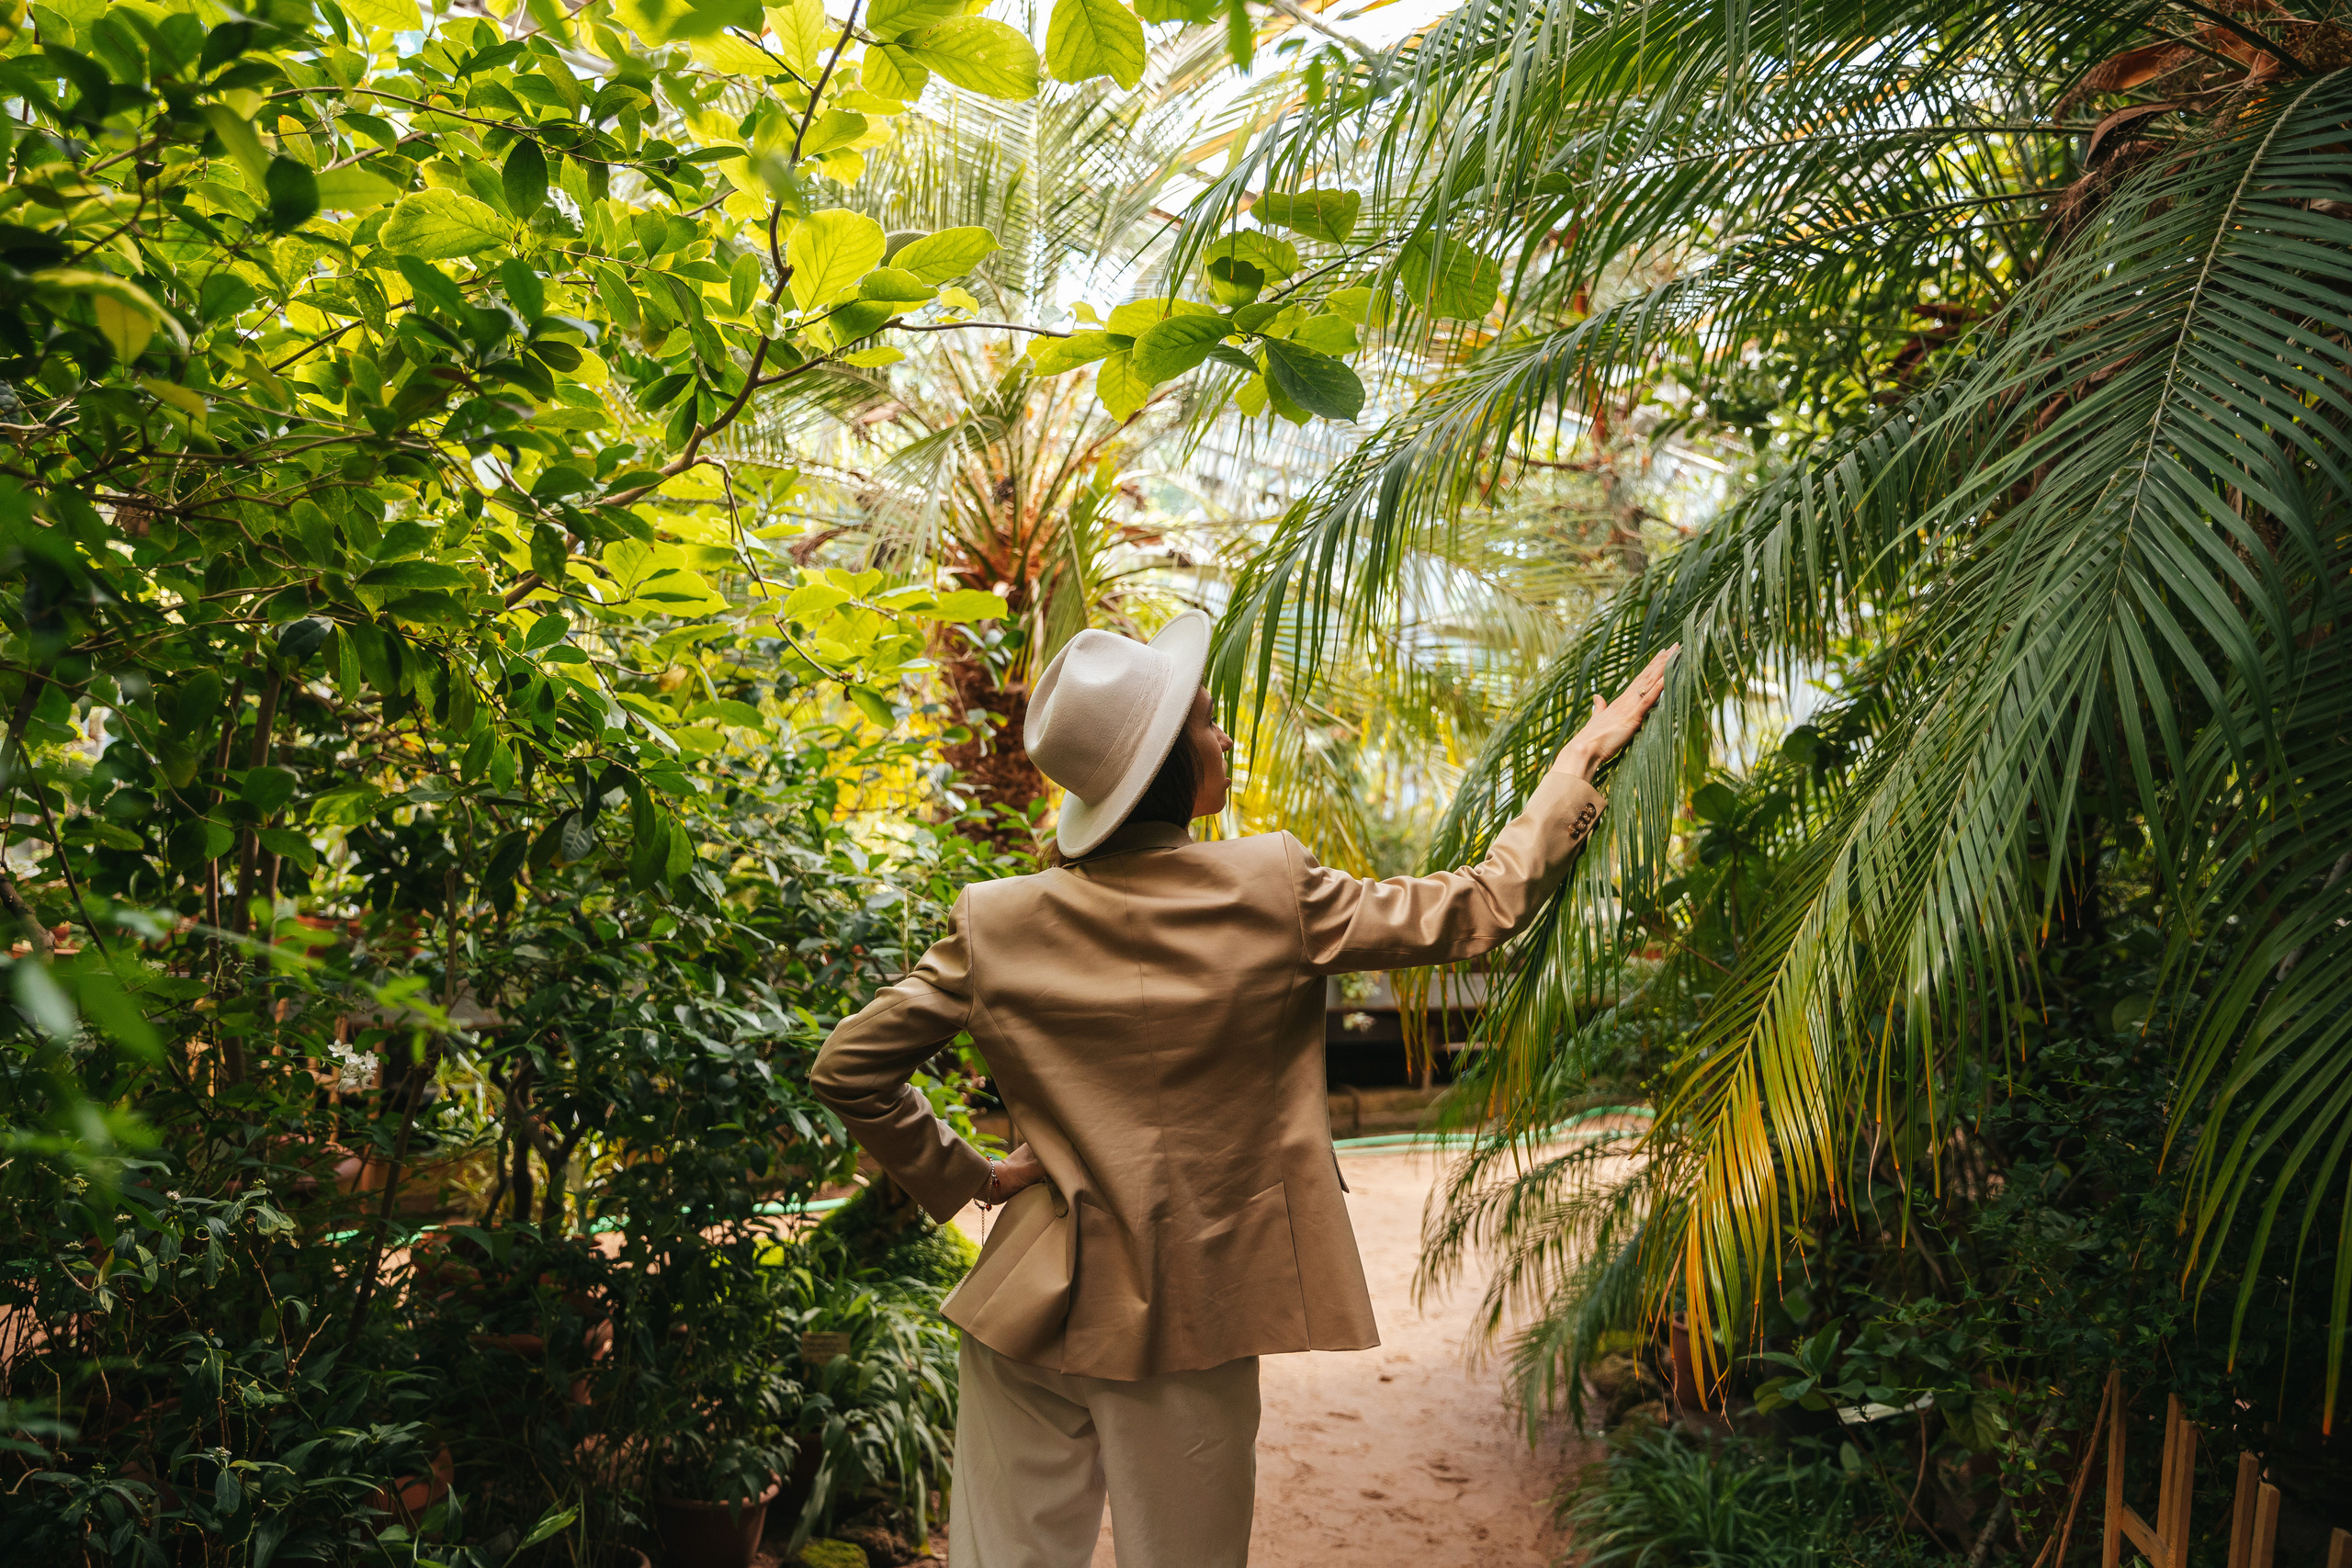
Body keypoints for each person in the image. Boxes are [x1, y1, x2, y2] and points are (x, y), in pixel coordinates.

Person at [811, 610, 1674, 1567]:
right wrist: (1575, 768)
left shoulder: (996, 920)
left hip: (1027, 1305)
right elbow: (1477, 907)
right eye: (1208, 721)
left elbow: (851, 1066)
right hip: (1193, 1308)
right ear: (1167, 762)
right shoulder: (1271, 886)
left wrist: (965, 1175)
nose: (1224, 736)